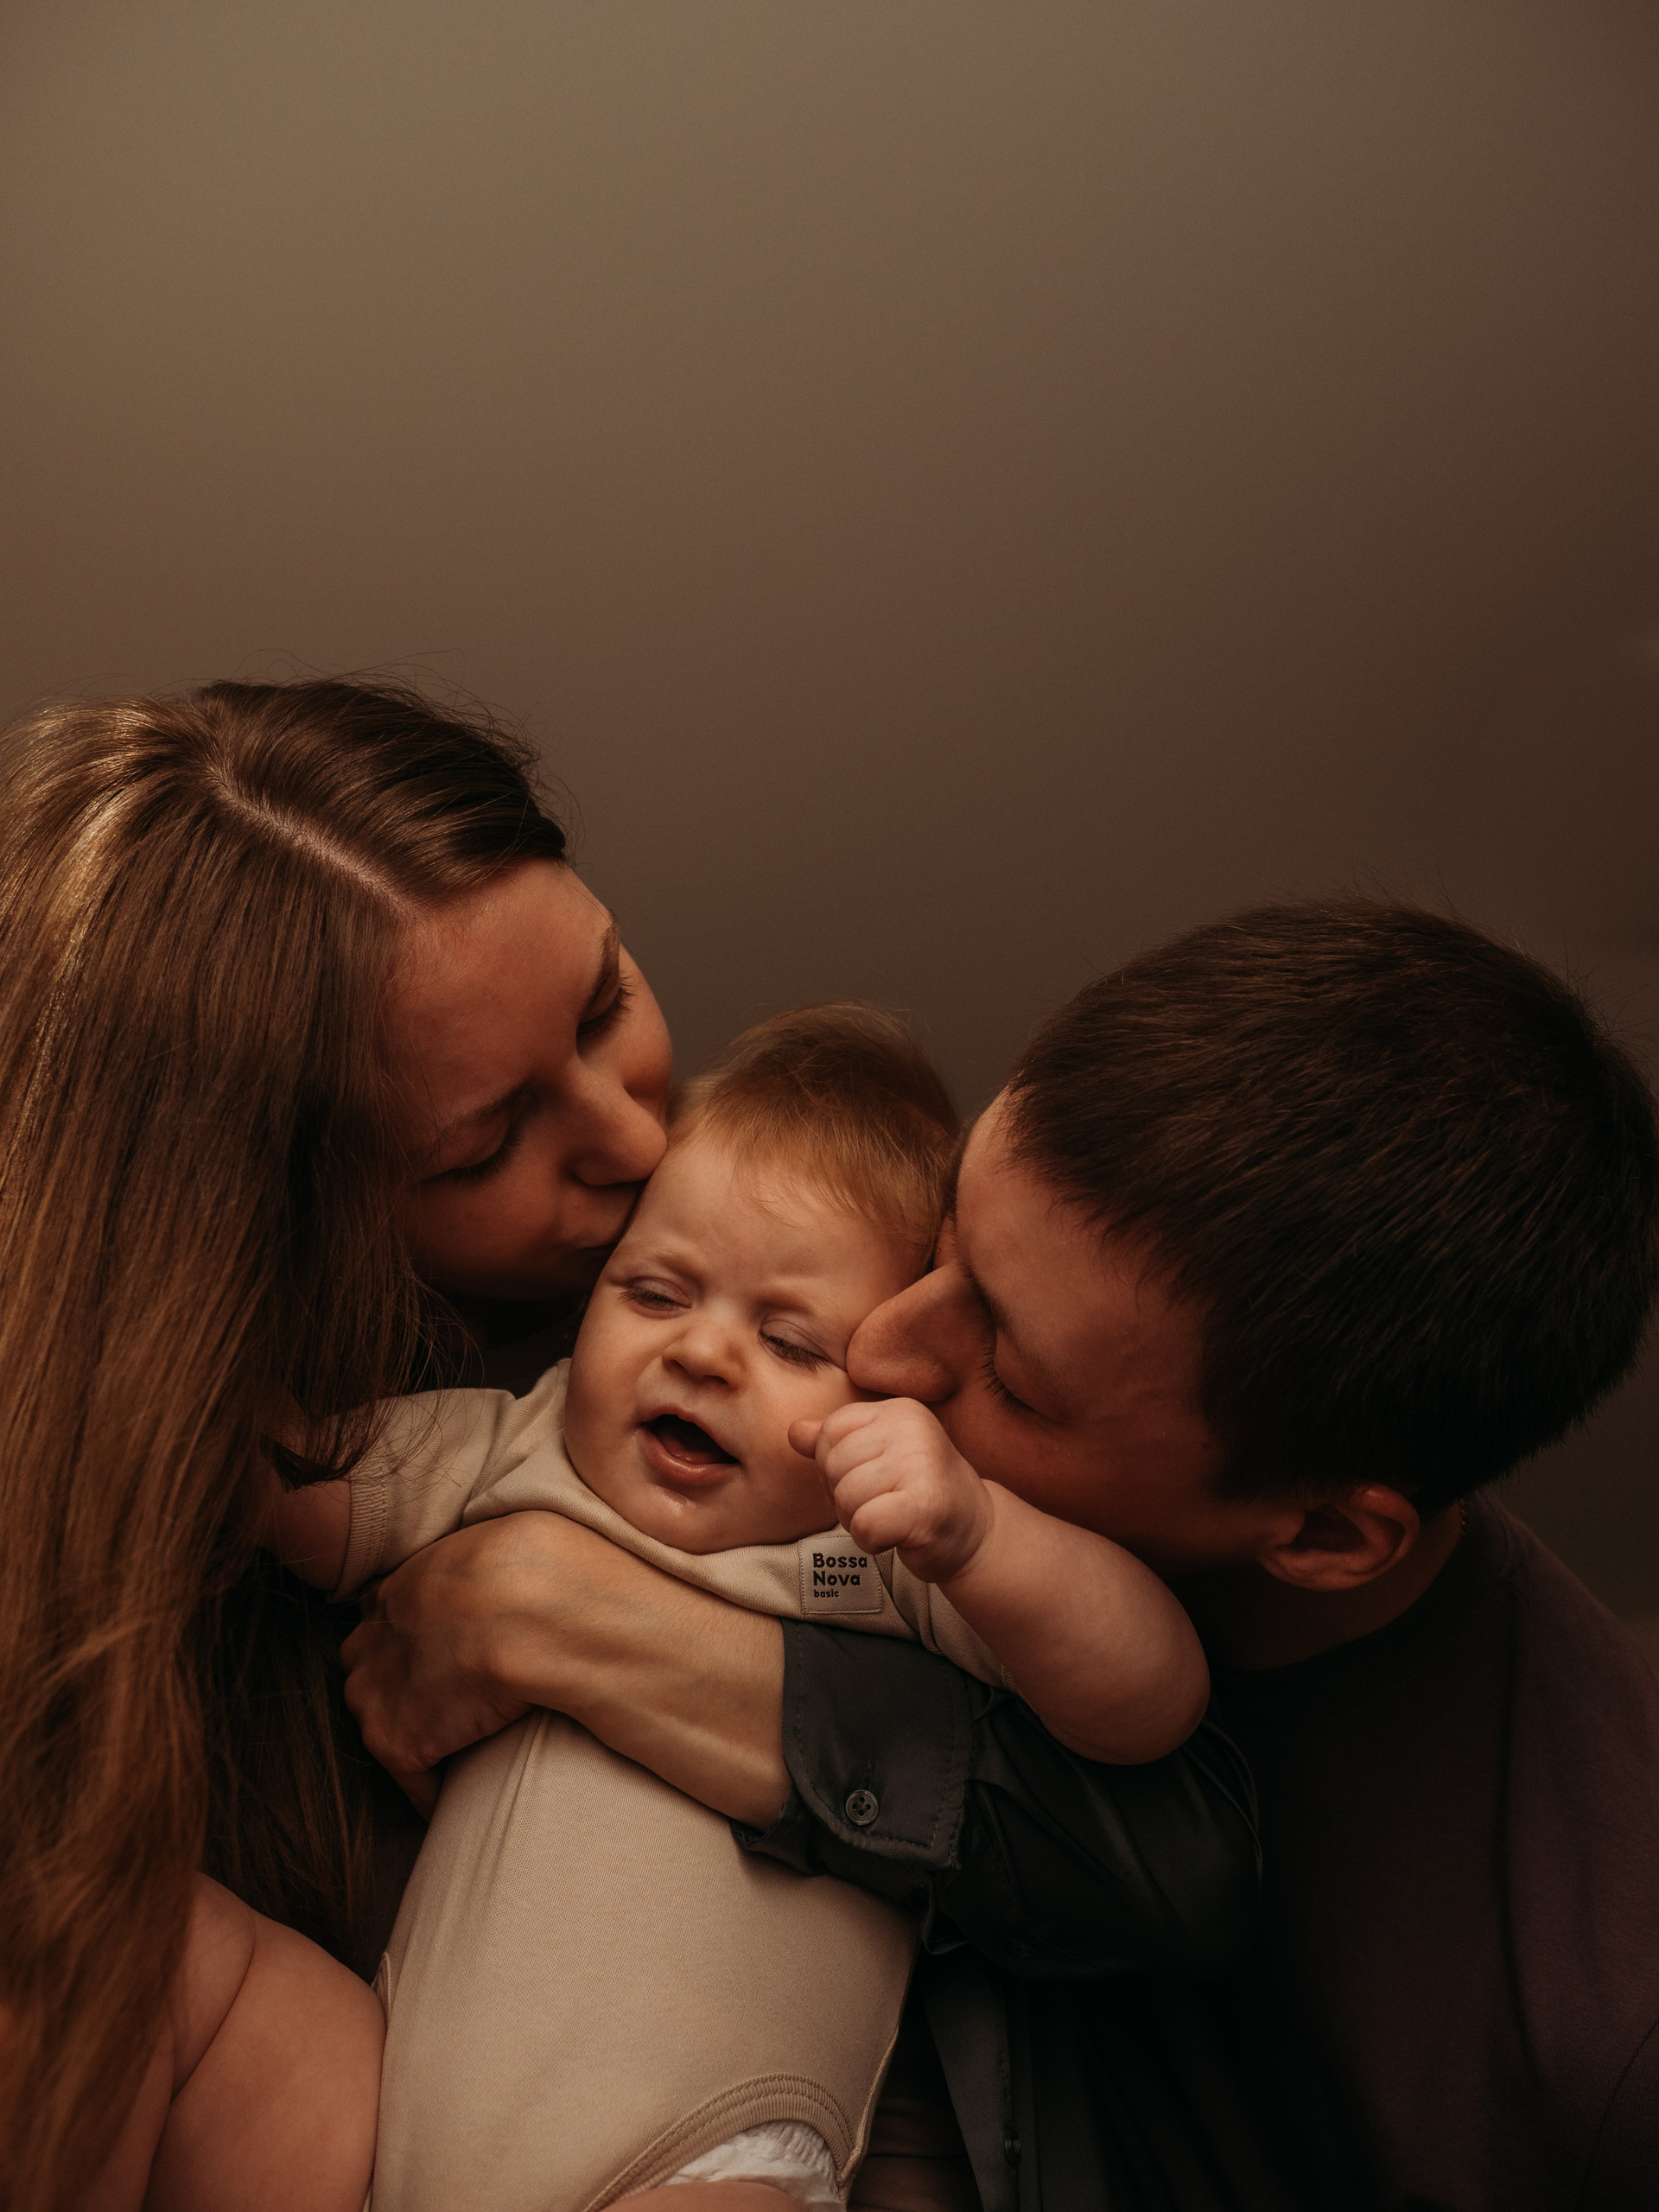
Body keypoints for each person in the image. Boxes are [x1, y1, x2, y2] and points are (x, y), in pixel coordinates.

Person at [344, 900, 1659, 2211]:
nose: (880, 1349)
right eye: (949, 1245)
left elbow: (1164, 1855)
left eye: (1013, 1373)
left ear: (1324, 1535)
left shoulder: (1593, 2032)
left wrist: (573, 1618)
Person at [268, 1004, 1224, 2212]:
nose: (704, 1354)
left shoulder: (877, 1547)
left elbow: (1147, 1703)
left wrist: (985, 1535)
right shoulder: (522, 1441)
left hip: (705, 2156)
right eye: (655, 1293)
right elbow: (291, 1491)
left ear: (889, 1390)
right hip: (389, 2115)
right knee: (211, 1988)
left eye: (790, 1342)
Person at [0, 676, 673, 2210]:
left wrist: (632, 1638)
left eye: (605, 1003)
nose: (635, 1138)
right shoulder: (153, 1636)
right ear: (272, 1234)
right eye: (489, 1146)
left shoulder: (779, 1265)